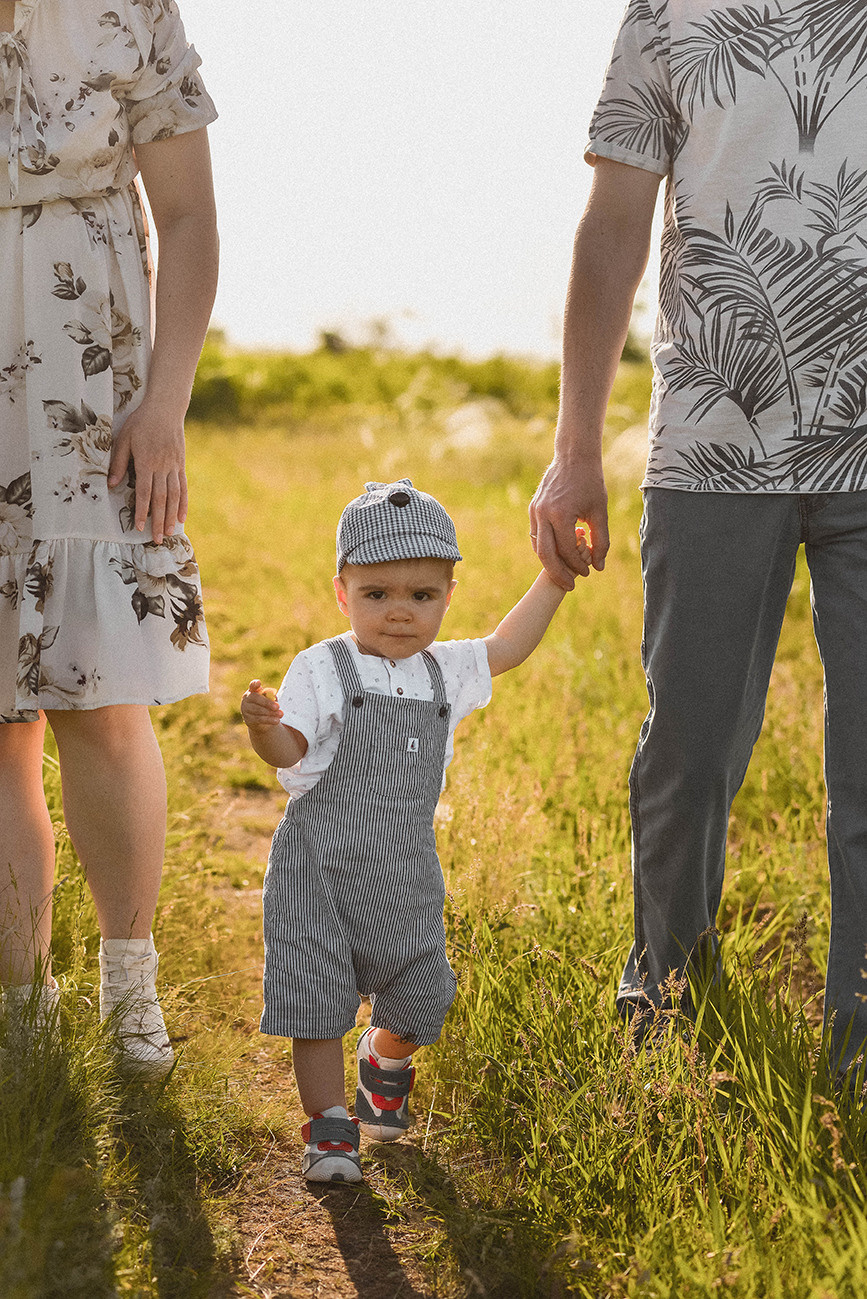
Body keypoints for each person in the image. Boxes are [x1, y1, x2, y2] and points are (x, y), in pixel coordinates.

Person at [530, 0, 867, 1073]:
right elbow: (615, 223)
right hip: (715, 448)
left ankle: (858, 1036)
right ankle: (665, 1002)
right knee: (690, 747)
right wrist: (575, 444)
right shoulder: (668, 12)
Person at [241, 479, 587, 1182]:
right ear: (343, 593)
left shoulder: (444, 669)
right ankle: (329, 1129)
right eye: (377, 594)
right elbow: (292, 752)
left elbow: (506, 646)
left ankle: (384, 1055)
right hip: (319, 869)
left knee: (425, 993)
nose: (399, 612)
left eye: (421, 595)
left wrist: (554, 578)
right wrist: (266, 729)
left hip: (401, 869)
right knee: (315, 997)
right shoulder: (323, 667)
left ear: (447, 595)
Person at [0, 0, 218, 1076]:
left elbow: (188, 217)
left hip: (99, 399)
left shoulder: (128, 8)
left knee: (103, 701)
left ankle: (128, 988)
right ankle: (20, 1006)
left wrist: (165, 407)